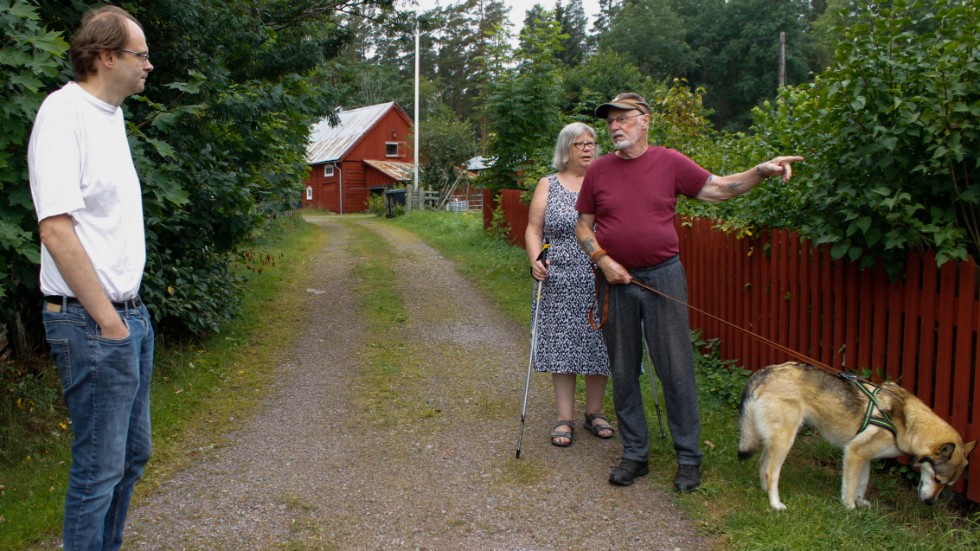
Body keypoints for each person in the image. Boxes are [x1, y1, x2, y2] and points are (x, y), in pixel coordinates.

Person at [574, 92, 803, 491]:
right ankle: (635, 454)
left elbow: (721, 189)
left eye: (623, 118)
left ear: (645, 120)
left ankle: (688, 458)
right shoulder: (599, 170)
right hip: (614, 282)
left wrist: (760, 171)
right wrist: (603, 260)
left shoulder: (670, 162)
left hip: (663, 277)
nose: (614, 126)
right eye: (611, 120)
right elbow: (582, 226)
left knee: (675, 370)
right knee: (624, 372)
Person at [28, 6, 156, 550]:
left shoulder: (110, 115)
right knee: (97, 471)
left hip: (128, 315)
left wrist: (126, 319)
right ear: (106, 57)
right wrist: (108, 322)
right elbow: (55, 230)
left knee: (130, 458)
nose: (149, 64)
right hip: (91, 321)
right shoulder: (64, 114)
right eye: (140, 54)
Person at [526, 122, 614, 448]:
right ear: (566, 149)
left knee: (598, 345)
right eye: (580, 144)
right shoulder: (548, 184)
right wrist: (536, 259)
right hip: (558, 277)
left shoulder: (606, 181)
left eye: (591, 143)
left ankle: (595, 412)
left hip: (599, 276)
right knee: (562, 346)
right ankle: (564, 417)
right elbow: (534, 229)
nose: (588, 148)